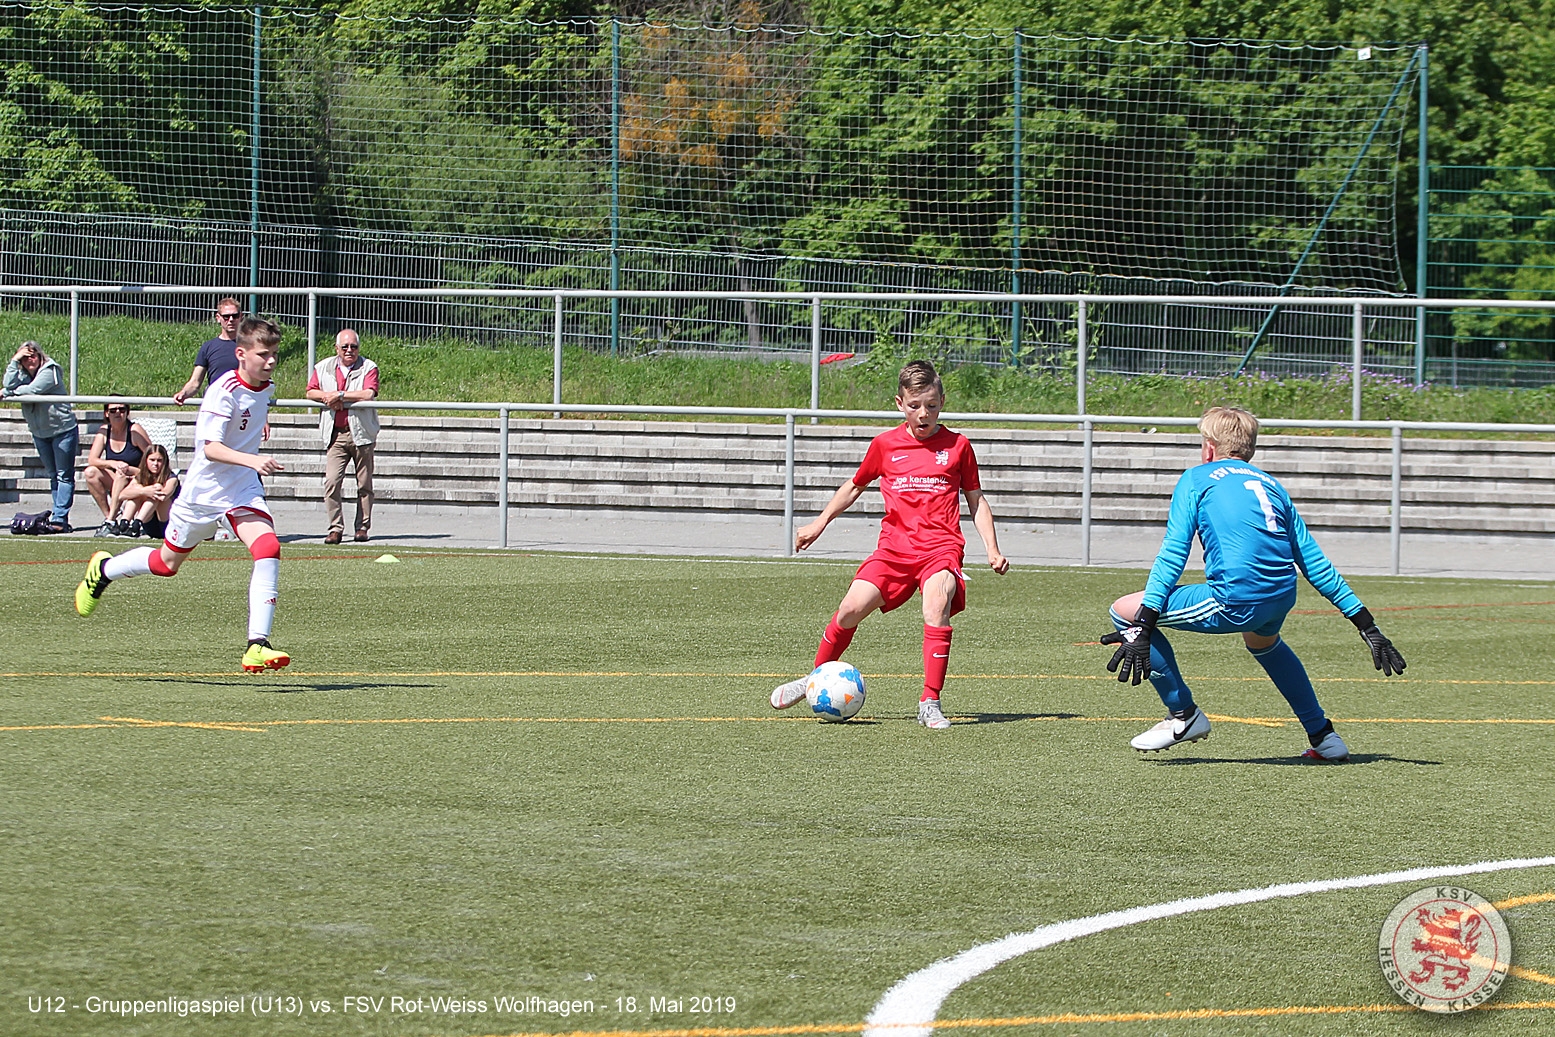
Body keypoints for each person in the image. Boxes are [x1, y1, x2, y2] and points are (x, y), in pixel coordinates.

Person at [1100, 406, 1407, 761]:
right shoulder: (1271, 484)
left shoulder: (1197, 478)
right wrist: (1366, 625)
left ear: (1209, 447)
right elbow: (1313, 561)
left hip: (1236, 598)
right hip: (1281, 596)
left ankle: (1183, 715)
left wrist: (1143, 623)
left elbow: (1173, 553)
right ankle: (1323, 735)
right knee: (1264, 643)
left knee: (1123, 611)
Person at [769, 360, 1010, 730]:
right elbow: (854, 487)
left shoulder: (958, 446)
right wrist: (819, 523)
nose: (924, 413)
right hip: (894, 551)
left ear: (942, 401)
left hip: (940, 549)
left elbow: (976, 500)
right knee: (850, 609)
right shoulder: (884, 445)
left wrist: (992, 549)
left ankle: (930, 702)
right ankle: (816, 677)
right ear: (900, 404)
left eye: (931, 405)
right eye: (915, 406)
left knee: (936, 604)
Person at [76, 316, 291, 674]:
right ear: (241, 354)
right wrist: (253, 459)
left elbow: (248, 418)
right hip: (203, 493)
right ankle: (105, 569)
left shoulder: (265, 387)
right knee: (166, 565)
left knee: (268, 547)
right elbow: (211, 449)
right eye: (263, 354)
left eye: (274, 355)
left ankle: (257, 644)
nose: (271, 361)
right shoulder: (223, 391)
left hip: (241, 488)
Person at [305, 328, 380, 543]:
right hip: (335, 435)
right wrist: (327, 397)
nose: (349, 350)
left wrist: (340, 396)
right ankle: (335, 528)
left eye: (353, 347)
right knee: (332, 482)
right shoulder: (323, 367)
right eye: (345, 347)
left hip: (362, 434)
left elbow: (368, 393)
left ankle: (362, 527)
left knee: (364, 484)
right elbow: (310, 391)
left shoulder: (369, 367)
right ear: (336, 348)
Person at [3, 340, 78, 532]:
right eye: (25, 358)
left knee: (64, 475)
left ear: (40, 355)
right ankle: (58, 516)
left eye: (33, 356)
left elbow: (32, 391)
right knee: (53, 475)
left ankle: (59, 519)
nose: (30, 360)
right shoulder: (22, 374)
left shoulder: (50, 370)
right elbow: (7, 383)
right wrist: (14, 361)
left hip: (62, 431)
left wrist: (11, 392)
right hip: (40, 433)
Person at [83, 399, 152, 536]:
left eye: (122, 409)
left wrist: (131, 470)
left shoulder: (135, 430)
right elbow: (92, 460)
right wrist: (112, 463)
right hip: (118, 477)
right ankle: (110, 518)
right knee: (90, 472)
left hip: (138, 477)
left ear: (127, 412)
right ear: (106, 413)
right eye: (113, 410)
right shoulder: (104, 431)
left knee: (122, 473)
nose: (118, 413)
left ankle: (110, 521)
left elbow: (153, 458)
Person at [173, 297, 243, 405]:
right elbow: (195, 382)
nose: (231, 320)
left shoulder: (250, 346)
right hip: (216, 403)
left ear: (241, 316)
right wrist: (183, 393)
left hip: (243, 403)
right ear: (218, 318)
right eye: (226, 316)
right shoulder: (208, 347)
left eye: (235, 316)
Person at [108, 443, 179, 539]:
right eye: (152, 460)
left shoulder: (171, 478)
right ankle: (124, 525)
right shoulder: (141, 476)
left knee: (157, 488)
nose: (155, 464)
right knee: (137, 490)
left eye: (159, 460)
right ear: (146, 460)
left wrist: (148, 490)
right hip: (150, 524)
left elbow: (163, 496)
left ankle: (137, 523)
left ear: (165, 462)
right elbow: (122, 495)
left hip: (167, 526)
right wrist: (143, 491)